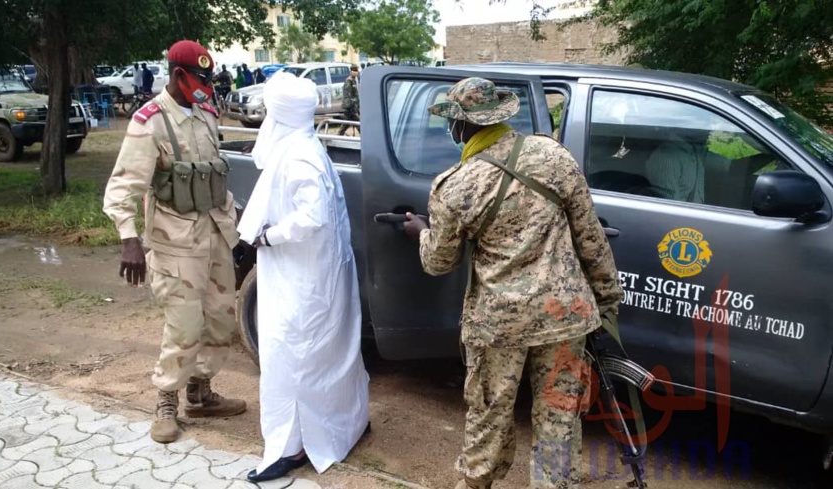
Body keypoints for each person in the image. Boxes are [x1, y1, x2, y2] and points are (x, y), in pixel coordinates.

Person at [402, 77, 622, 489]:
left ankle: (478, 483)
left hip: (499, 325)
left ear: (462, 127)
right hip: (566, 317)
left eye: (454, 123)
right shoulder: (554, 157)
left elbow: (438, 262)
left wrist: (422, 232)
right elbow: (590, 239)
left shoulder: (457, 184)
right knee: (561, 415)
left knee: (489, 413)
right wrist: (607, 303)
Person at [103, 40, 246, 444]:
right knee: (184, 325)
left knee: (219, 318)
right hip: (175, 240)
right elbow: (123, 186)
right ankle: (166, 399)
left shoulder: (206, 113)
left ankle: (200, 393)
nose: (207, 86)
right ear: (179, 75)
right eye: (200, 79)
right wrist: (129, 239)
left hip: (215, 231)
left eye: (209, 79)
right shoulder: (150, 121)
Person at [236, 71, 370, 483]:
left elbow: (310, 216)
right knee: (327, 354)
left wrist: (268, 236)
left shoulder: (297, 156)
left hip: (302, 279)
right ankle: (348, 422)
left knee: (289, 357)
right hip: (313, 272)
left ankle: (291, 448)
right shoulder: (305, 144)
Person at [337, 65, 360, 136]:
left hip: (354, 108)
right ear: (351, 71)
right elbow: (347, 95)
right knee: (359, 125)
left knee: (345, 125)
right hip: (350, 108)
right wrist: (350, 107)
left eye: (356, 71)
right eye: (354, 71)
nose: (356, 72)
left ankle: (338, 136)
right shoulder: (348, 81)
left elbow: (355, 95)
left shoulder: (353, 81)